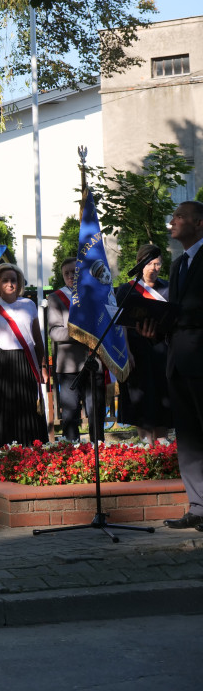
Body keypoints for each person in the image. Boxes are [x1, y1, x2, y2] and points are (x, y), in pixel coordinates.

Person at [160, 201, 203, 530]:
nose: (171, 221)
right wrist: (151, 327)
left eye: (178, 216)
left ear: (199, 223)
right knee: (188, 438)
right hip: (179, 360)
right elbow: (173, 314)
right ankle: (198, 507)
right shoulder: (177, 265)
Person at [0, 263, 48, 448]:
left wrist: (43, 366)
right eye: (5, 280)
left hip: (25, 362)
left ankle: (30, 453)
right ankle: (1, 454)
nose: (10, 284)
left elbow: (38, 340)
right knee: (1, 411)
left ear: (19, 283)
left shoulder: (29, 305)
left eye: (14, 280)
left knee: (27, 408)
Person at [115, 245, 172, 445]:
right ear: (140, 264)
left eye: (157, 264)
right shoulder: (127, 289)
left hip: (162, 350)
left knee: (162, 396)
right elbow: (120, 324)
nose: (154, 268)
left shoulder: (167, 288)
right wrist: (126, 352)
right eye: (149, 264)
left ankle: (162, 444)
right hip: (137, 351)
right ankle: (146, 445)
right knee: (141, 396)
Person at [46, 257, 104, 443]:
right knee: (70, 414)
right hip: (68, 365)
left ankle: (99, 450)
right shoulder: (56, 298)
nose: (71, 276)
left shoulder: (94, 295)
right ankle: (72, 451)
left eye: (74, 272)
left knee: (96, 410)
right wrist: (81, 334)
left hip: (94, 362)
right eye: (66, 273)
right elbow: (54, 332)